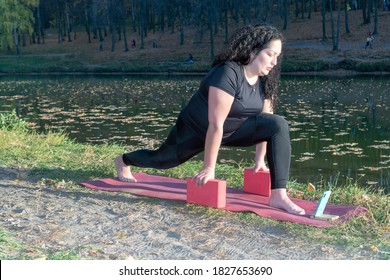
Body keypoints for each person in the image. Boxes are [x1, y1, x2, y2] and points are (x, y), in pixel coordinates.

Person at [115, 24, 305, 215]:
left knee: (278, 124)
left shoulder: (265, 80)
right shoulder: (227, 73)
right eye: (270, 54)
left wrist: (259, 161)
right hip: (197, 129)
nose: (274, 61)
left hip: (235, 130)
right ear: (253, 50)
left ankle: (278, 195)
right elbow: (215, 124)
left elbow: (266, 121)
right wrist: (209, 168)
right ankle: (124, 161)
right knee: (163, 160)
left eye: (277, 56)